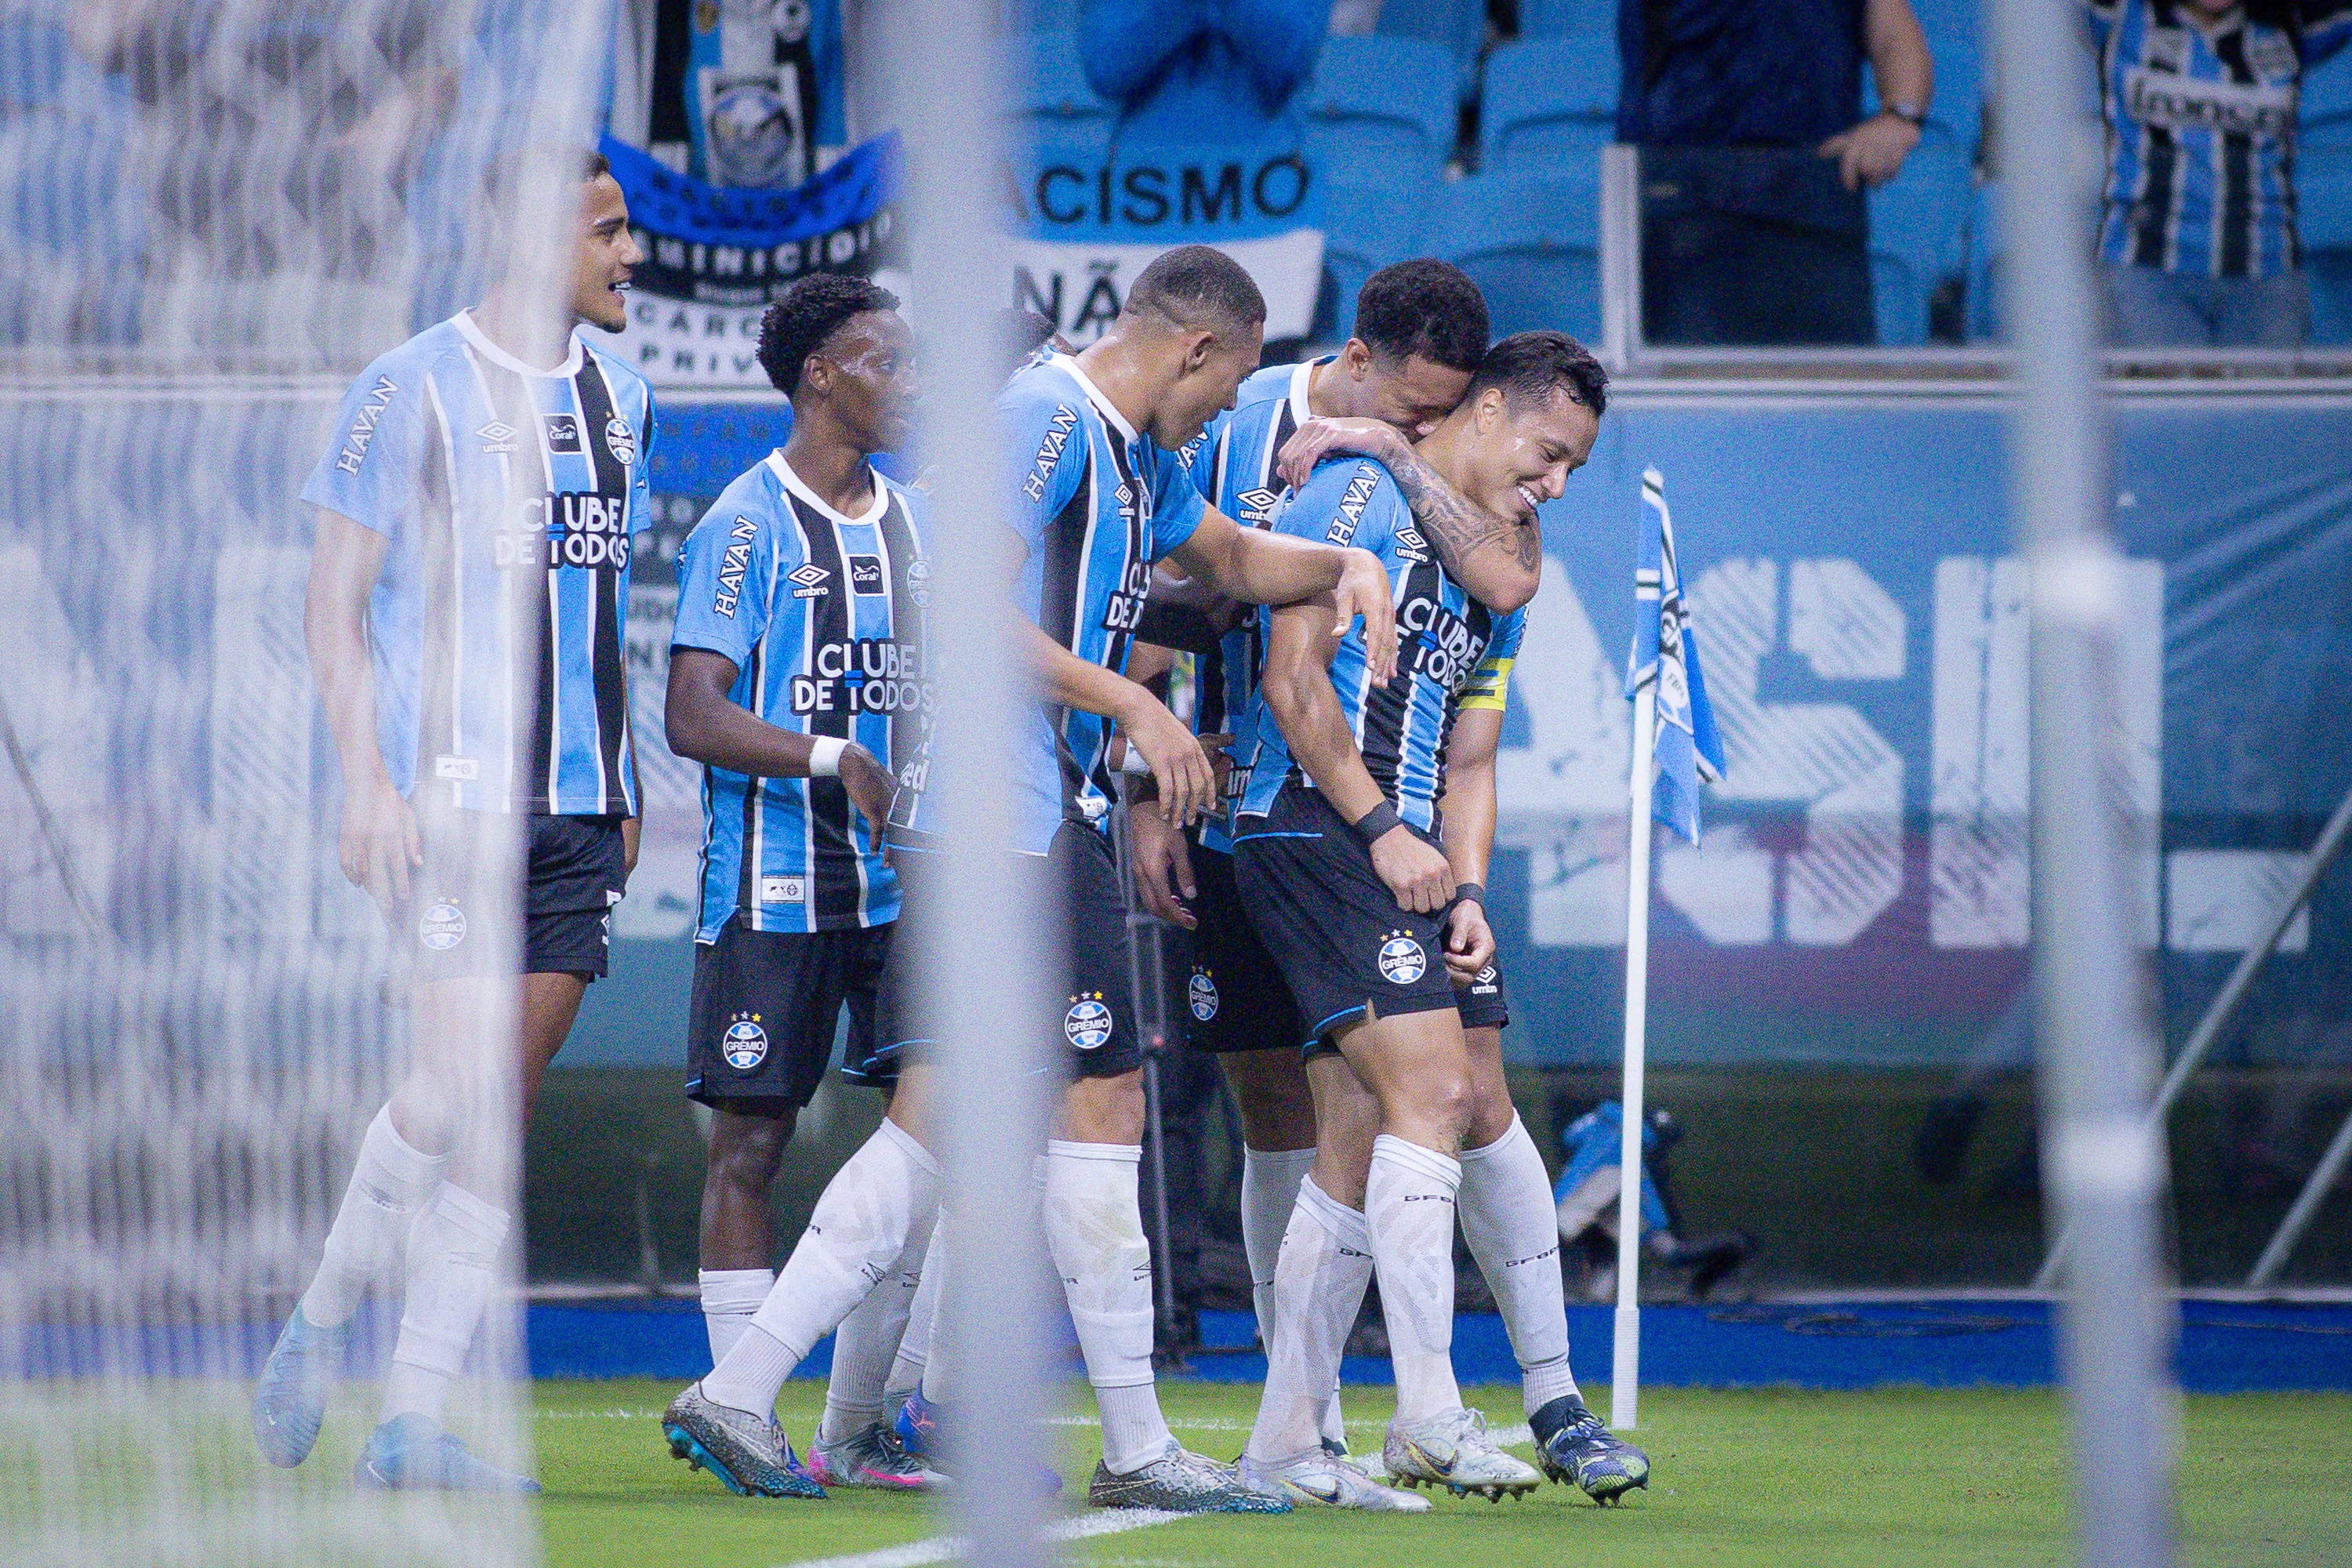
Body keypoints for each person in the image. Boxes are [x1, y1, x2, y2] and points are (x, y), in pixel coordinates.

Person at [253, 147, 652, 1491]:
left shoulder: (624, 399)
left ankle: (410, 1421)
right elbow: (333, 605)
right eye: (607, 231)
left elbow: (595, 616)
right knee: (446, 1088)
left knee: (501, 1111)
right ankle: (321, 1319)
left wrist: (622, 781)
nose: (631, 255)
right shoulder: (409, 383)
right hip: (451, 806)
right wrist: (366, 780)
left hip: (581, 810)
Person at [1231, 331, 1650, 1506]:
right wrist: (1380, 829)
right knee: (1436, 1096)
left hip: (1413, 854)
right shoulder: (1352, 490)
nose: (1554, 483)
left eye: (1574, 469)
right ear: (1487, 407)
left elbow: (1472, 756)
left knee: (1401, 1123)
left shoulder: (1496, 553)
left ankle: (1292, 1439)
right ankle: (1427, 1412)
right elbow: (1291, 682)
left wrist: (1466, 886)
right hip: (1318, 823)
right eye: (1547, 452)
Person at [1122, 258, 1516, 1447]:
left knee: (1369, 1101)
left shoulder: (1410, 465)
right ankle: (1304, 1411)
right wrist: (1146, 793)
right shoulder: (1224, 418)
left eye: (1444, 415)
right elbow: (1137, 591)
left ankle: (1321, 1412)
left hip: (1346, 818)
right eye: (1410, 409)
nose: (1426, 431)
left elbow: (1503, 574)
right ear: (1354, 356)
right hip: (1223, 810)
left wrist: (1394, 449)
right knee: (1270, 1110)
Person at [661, 273, 939, 1497]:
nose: (913, 383)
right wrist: (836, 756)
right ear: (822, 375)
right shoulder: (747, 522)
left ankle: (860, 1421)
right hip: (774, 888)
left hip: (903, 891)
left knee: (933, 1147)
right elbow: (692, 713)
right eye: (890, 361)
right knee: (753, 1145)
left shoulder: (917, 523)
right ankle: (743, 1408)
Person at [1617, 0, 1936, 344]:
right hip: (1687, 217)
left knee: (1832, 375)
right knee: (1690, 375)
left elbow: (1892, 31)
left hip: (1814, 212)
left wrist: (1900, 117)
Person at [2091, 0, 2352, 347]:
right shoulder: (2121, 13)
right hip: (2145, 278)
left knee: (2266, 386)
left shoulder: (2294, 23)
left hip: (2267, 281)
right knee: (2160, 386)